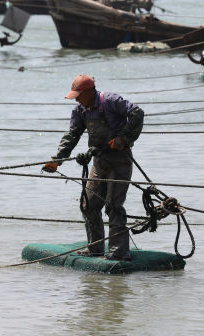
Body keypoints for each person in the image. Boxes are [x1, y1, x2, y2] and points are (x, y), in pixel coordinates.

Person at [43, 75, 144, 261]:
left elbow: (137, 113)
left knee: (113, 206)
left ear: (90, 91)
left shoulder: (111, 101)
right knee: (88, 206)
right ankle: (95, 248)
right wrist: (58, 159)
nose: (77, 99)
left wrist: (124, 138)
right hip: (99, 161)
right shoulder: (80, 110)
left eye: (79, 95)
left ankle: (119, 252)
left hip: (120, 161)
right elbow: (72, 135)